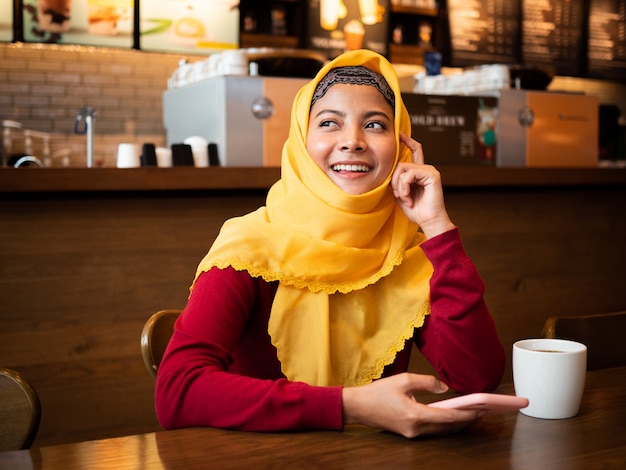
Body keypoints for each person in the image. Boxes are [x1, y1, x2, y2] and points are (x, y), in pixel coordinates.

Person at [155, 49, 505, 439]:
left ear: (402, 146)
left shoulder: (408, 253)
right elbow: (177, 392)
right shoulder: (250, 247)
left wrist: (438, 227)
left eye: (374, 125)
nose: (352, 141)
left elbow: (477, 378)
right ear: (302, 142)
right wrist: (349, 405)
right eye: (328, 123)